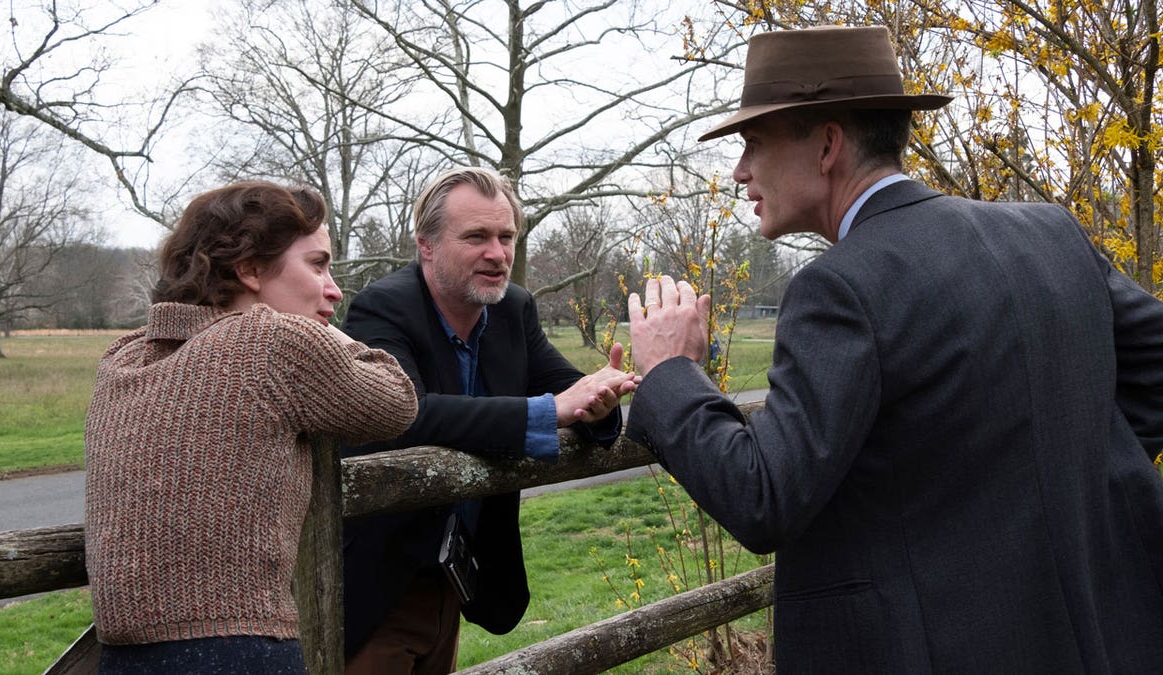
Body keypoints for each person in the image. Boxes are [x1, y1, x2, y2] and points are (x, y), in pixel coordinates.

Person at [626, 25, 1163, 674]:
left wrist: (670, 372)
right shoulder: (1051, 231)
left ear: (827, 143)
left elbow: (763, 495)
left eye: (754, 143)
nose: (740, 171)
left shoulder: (840, 287)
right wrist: (1067, 483)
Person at [84, 181, 418, 673]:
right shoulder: (266, 340)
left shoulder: (123, 358)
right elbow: (396, 400)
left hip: (120, 658)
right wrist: (316, 331)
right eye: (317, 264)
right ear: (250, 269)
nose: (334, 288)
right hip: (240, 651)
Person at [340, 166, 638, 674]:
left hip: (455, 577)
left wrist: (602, 398)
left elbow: (569, 391)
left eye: (506, 237)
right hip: (383, 581)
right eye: (476, 236)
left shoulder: (513, 309)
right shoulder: (382, 309)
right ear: (426, 245)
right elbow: (406, 413)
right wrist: (548, 411)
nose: (497, 254)